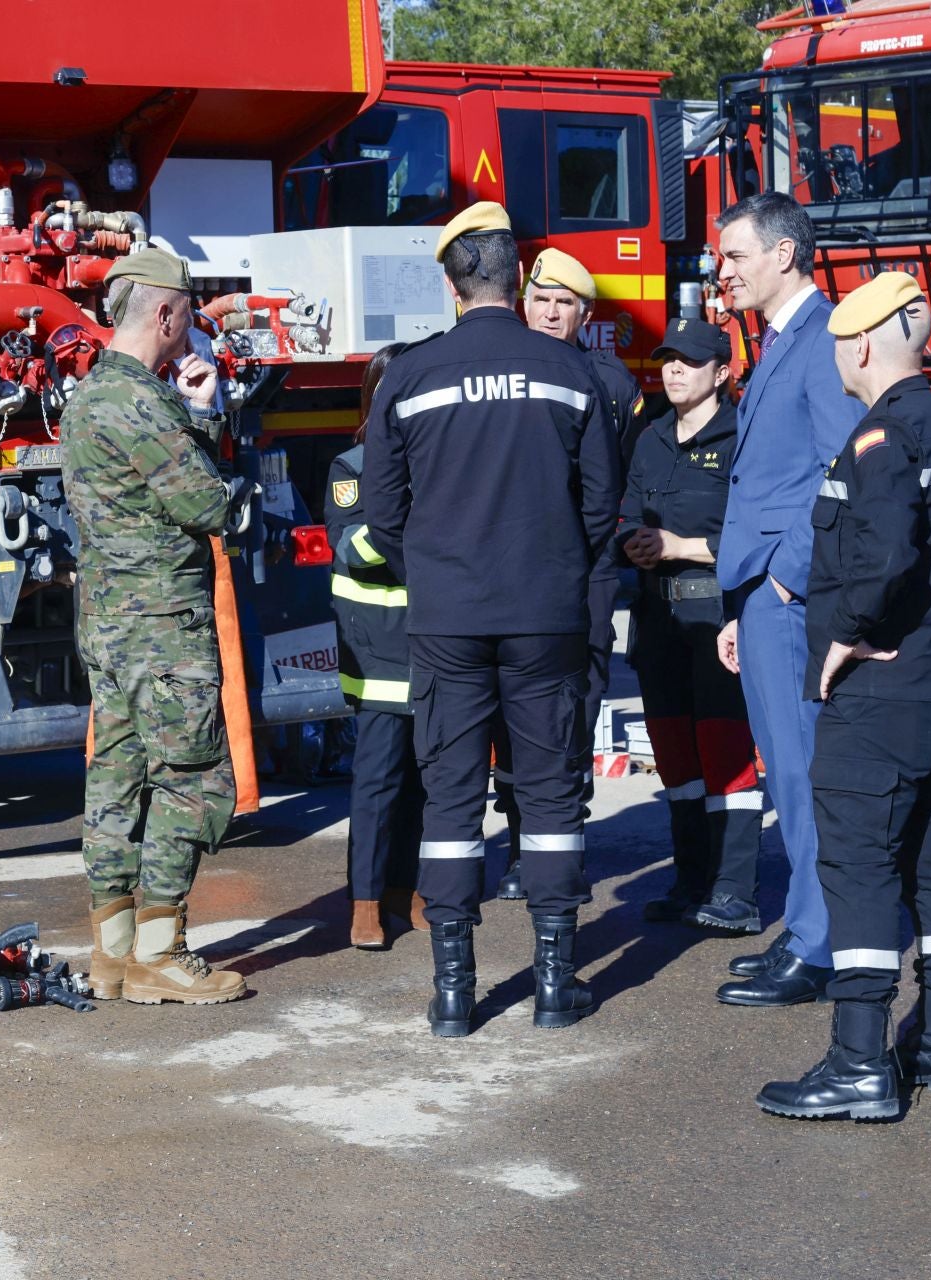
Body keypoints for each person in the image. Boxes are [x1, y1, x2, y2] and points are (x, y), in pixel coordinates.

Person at [361, 201, 620, 1037]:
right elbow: (599, 508)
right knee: (549, 793)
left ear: (450, 282)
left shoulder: (408, 376)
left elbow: (382, 512)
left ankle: (451, 992)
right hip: (547, 616)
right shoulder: (570, 374)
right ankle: (553, 981)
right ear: (519, 278)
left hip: (448, 620)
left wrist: (436, 576)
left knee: (451, 796)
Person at [755, 271, 931, 1122]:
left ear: (857, 346)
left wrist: (849, 628)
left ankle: (859, 1061)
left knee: (857, 863)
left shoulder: (881, 436)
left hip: (883, 692)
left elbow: (886, 553)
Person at [65, 246, 252, 1006]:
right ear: (167, 313)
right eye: (187, 318)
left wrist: (192, 417)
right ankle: (160, 954)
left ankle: (112, 955)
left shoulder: (90, 396)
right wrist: (211, 420)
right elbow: (209, 506)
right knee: (193, 779)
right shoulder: (141, 402)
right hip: (163, 629)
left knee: (115, 779)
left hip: (110, 628)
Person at [710, 193, 866, 1008]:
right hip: (763, 593)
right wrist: (745, 601)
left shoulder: (822, 339)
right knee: (787, 773)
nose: (722, 271)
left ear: (784, 254)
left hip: (788, 591)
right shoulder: (780, 341)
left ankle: (820, 943)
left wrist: (785, 579)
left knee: (802, 776)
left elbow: (842, 471)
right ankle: (808, 926)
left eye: (735, 256)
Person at [491, 248, 645, 903]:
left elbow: (631, 480)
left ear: (584, 315)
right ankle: (524, 845)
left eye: (565, 304)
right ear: (523, 303)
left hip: (584, 572)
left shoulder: (612, 384)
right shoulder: (496, 371)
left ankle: (563, 847)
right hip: (508, 567)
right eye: (542, 300)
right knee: (508, 711)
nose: (552, 313)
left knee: (574, 709)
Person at [614, 317, 766, 932]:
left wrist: (681, 544)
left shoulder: (741, 440)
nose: (673, 369)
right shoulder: (650, 437)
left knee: (725, 752)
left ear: (722, 373)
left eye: (689, 361)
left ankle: (735, 893)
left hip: (714, 613)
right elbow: (626, 511)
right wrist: (634, 542)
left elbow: (756, 532)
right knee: (676, 755)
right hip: (657, 618)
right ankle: (691, 879)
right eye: (668, 359)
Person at [327, 344, 426, 950]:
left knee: (424, 782)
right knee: (378, 780)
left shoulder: (438, 459)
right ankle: (364, 901)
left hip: (432, 641)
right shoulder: (353, 465)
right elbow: (349, 546)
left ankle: (405, 890)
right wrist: (411, 531)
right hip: (378, 646)